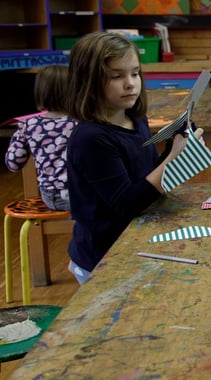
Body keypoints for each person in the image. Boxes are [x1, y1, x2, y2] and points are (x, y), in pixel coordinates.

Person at [65, 32, 200, 283]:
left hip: (135, 244)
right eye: (116, 76)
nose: (130, 84)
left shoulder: (135, 119)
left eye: (135, 73)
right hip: (103, 259)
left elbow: (146, 181)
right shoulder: (90, 138)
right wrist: (174, 160)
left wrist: (175, 148)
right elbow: (127, 204)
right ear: (88, 81)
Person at [5, 65, 75, 211]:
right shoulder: (81, 123)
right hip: (80, 194)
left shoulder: (28, 125)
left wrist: (19, 135)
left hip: (50, 197)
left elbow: (13, 164)